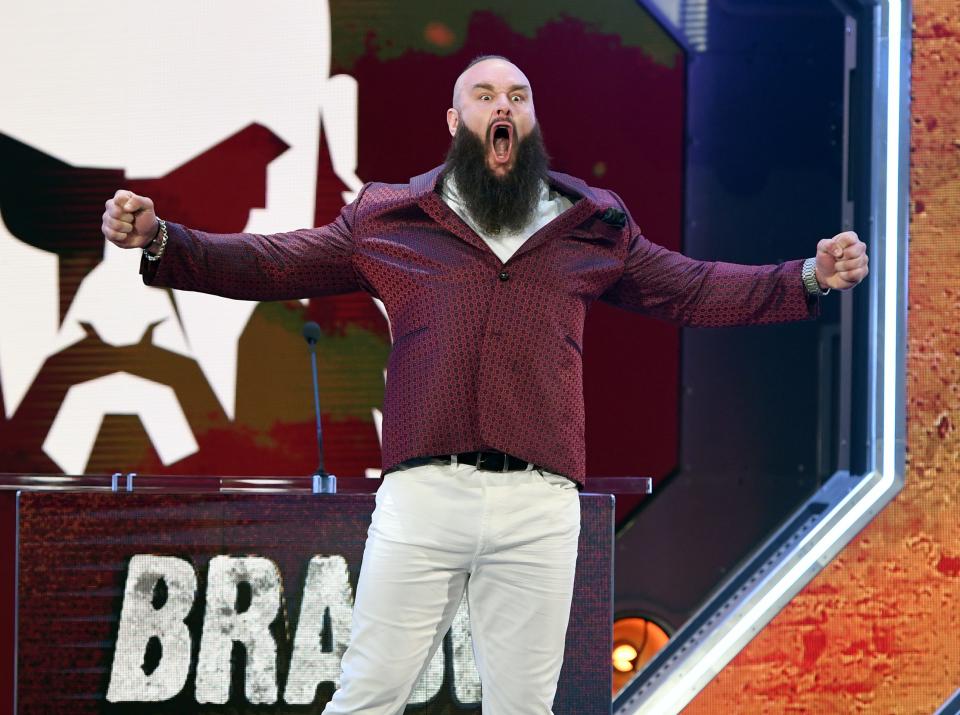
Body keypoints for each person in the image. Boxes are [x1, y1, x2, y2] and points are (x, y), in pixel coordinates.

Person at [101, 55, 868, 714]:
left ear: (530, 123)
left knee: (523, 705)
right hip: (424, 494)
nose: (504, 106)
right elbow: (272, 262)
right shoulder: (389, 220)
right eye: (485, 96)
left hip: (538, 501)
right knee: (368, 692)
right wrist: (166, 240)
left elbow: (693, 288)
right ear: (453, 120)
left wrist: (806, 276)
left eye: (519, 97)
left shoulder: (591, 225)